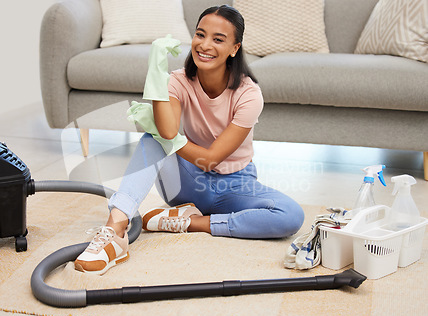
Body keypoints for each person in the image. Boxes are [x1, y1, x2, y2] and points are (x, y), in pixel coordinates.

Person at [74, 5, 304, 274]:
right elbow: (167, 133)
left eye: (218, 39)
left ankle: (188, 222)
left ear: (234, 48)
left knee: (291, 215)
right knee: (154, 137)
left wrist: (172, 141)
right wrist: (156, 76)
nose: (205, 45)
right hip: (186, 183)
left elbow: (211, 159)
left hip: (236, 185)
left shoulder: (249, 94)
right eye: (200, 35)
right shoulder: (178, 81)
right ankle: (115, 231)